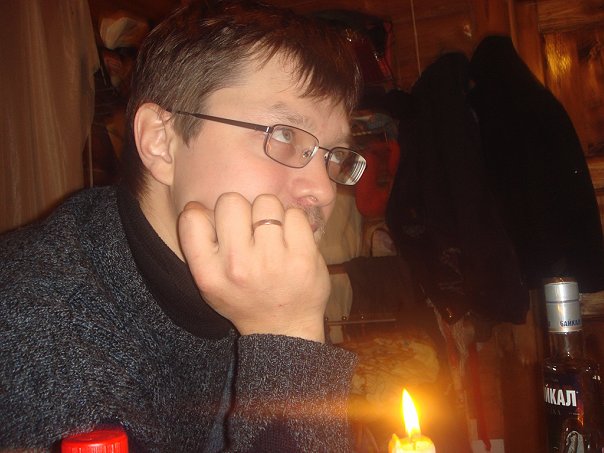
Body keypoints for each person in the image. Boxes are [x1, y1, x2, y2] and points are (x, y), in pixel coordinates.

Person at [0, 1, 367, 451]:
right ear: (161, 141)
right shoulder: (43, 336)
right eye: (285, 135)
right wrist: (286, 337)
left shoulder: (256, 270)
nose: (324, 190)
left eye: (333, 155)